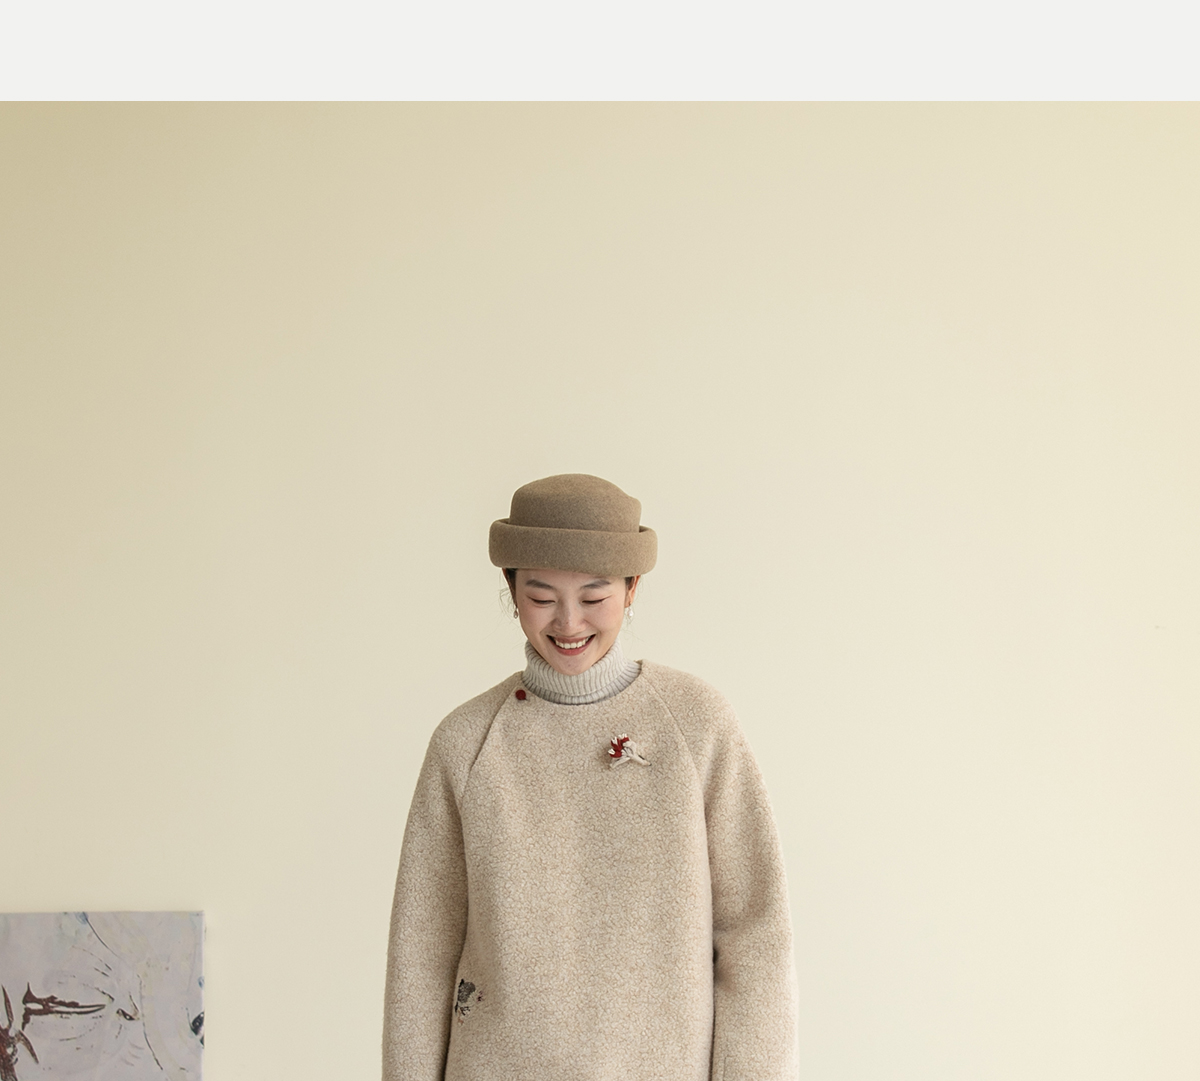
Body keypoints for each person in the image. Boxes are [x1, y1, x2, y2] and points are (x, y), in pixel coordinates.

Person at [383, 474, 798, 1081]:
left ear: (632, 589)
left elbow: (755, 935)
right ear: (511, 589)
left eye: (594, 596)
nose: (568, 622)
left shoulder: (696, 723)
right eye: (541, 596)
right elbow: (420, 955)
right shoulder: (465, 743)